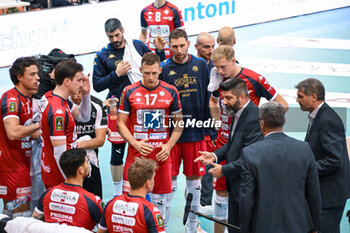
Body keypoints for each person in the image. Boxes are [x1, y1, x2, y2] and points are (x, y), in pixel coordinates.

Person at [93, 18, 166, 196]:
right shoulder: (102, 55)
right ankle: (118, 192)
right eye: (110, 37)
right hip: (117, 108)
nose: (114, 40)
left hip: (142, 107)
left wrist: (159, 51)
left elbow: (156, 65)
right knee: (117, 151)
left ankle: (145, 186)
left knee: (145, 146)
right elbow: (97, 85)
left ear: (123, 30)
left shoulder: (138, 46)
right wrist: (116, 74)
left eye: (117, 35)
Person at [117, 52, 183, 230]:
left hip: (162, 158)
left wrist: (169, 146)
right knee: (132, 206)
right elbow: (120, 124)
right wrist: (134, 143)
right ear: (140, 70)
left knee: (162, 206)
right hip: (136, 158)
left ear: (160, 70)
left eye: (154, 72)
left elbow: (179, 124)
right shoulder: (129, 91)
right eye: (147, 73)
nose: (151, 77)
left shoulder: (171, 91)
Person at [239, 102, 321, 233]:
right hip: (299, 225)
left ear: (262, 123)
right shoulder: (304, 149)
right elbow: (313, 192)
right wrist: (315, 226)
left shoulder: (250, 153)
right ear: (284, 120)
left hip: (264, 226)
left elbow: (247, 199)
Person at [160, 28, 212, 233]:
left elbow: (209, 100)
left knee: (194, 185)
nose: (179, 50)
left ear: (189, 44)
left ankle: (193, 227)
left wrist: (210, 129)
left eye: (182, 45)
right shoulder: (163, 68)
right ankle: (162, 227)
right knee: (168, 186)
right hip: (172, 137)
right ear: (169, 47)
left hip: (196, 134)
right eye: (174, 46)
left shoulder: (201, 64)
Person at [195, 78, 264, 233]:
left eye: (228, 98)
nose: (224, 102)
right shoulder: (239, 112)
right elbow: (231, 145)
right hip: (236, 185)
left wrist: (224, 170)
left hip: (246, 187)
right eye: (223, 97)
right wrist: (214, 155)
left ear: (242, 97)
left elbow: (251, 158)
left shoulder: (254, 118)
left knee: (242, 228)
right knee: (234, 226)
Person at [295, 78, 350, 233]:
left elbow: (334, 160)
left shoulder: (327, 120)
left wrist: (305, 168)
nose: (297, 100)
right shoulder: (319, 116)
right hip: (326, 192)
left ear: (313, 96)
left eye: (300, 96)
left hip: (330, 195)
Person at [40, 59, 91, 188]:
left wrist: (86, 94)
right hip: (61, 176)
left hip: (55, 170)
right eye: (79, 80)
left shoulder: (52, 97)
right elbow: (59, 153)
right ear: (67, 81)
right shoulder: (58, 112)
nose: (81, 84)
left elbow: (84, 117)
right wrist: (69, 183)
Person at [0, 57, 41, 218]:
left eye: (37, 74)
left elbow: (28, 132)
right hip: (13, 168)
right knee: (20, 216)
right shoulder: (11, 99)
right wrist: (40, 124)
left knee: (12, 214)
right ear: (19, 77)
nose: (37, 78)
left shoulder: (27, 99)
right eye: (32, 74)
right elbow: (13, 133)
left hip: (22, 165)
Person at [32, 148, 103, 231]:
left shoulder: (47, 194)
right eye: (87, 162)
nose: (89, 165)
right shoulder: (92, 201)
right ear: (81, 170)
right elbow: (104, 229)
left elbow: (34, 222)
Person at [96, 157, 166, 233]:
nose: (154, 181)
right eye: (153, 178)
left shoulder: (111, 204)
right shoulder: (150, 211)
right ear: (148, 183)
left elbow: (100, 231)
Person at [71, 90, 107, 198]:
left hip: (91, 164)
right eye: (73, 92)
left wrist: (74, 144)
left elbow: (100, 140)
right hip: (67, 165)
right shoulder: (62, 105)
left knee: (96, 204)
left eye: (80, 92)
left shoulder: (97, 105)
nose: (76, 96)